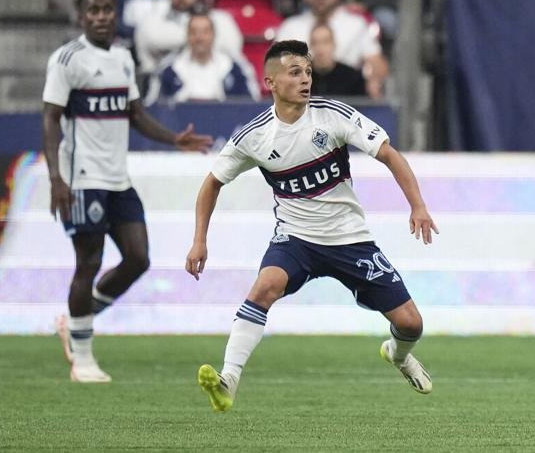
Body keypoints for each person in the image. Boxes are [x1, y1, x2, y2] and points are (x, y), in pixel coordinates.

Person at [186, 39, 438, 411]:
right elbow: (212, 183)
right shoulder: (253, 136)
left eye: (307, 71)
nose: (305, 79)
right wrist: (199, 241)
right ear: (270, 82)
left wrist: (417, 206)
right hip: (296, 239)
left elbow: (389, 153)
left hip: (350, 239)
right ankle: (228, 381)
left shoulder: (333, 116)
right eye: (294, 72)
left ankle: (398, 356)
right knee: (265, 287)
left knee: (411, 324)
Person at [44, 0, 211, 383]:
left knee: (138, 258)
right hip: (82, 177)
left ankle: (77, 321)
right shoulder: (67, 59)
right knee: (89, 261)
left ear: (115, 15)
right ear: (82, 17)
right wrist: (56, 178)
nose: (101, 16)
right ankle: (82, 359)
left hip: (118, 179)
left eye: (107, 9)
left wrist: (173, 138)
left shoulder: (122, 58)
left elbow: (134, 113)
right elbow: (50, 118)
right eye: (93, 10)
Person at [276, 0, 389, 98]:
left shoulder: (356, 24)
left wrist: (374, 80)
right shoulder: (291, 26)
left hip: (348, 92)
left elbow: (376, 61)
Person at [133, 0, 245, 76]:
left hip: (214, 81)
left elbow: (233, 52)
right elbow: (147, 59)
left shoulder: (221, 19)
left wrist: (177, 40)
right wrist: (201, 38)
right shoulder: (152, 21)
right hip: (167, 84)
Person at [147, 12, 259, 103]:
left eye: (205, 32)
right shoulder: (169, 70)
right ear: (187, 36)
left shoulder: (233, 69)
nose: (199, 38)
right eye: (194, 32)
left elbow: (249, 107)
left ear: (213, 35)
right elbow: (154, 108)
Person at [309, 22, 367, 96]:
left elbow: (362, 105)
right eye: (315, 43)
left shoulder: (353, 78)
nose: (320, 48)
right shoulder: (300, 78)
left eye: (325, 42)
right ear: (310, 46)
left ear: (334, 44)